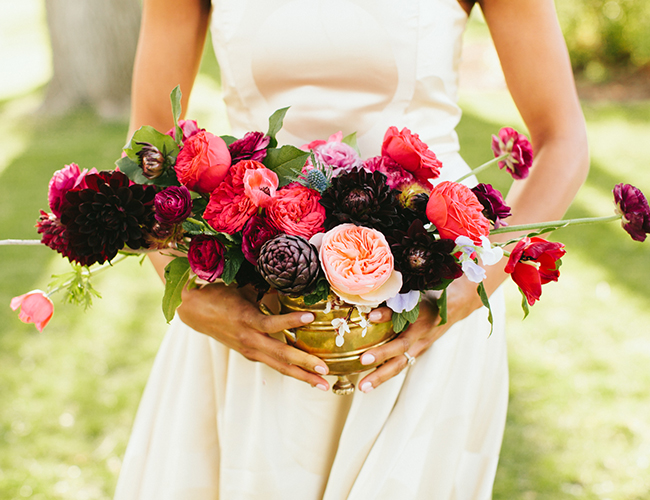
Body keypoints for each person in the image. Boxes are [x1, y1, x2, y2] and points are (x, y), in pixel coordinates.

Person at [114, 0, 589, 498]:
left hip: (424, 310)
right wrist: (190, 295)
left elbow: (562, 139)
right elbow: (146, 142)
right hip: (252, 311)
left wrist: (471, 289)